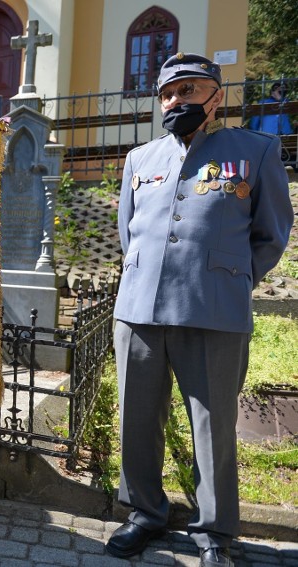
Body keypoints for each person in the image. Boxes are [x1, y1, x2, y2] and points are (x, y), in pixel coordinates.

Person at [107, 53, 293, 567]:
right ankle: (145, 512)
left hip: (214, 311)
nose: (176, 102)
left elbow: (271, 234)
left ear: (216, 97)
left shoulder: (254, 150)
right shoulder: (140, 160)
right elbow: (129, 233)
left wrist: (227, 281)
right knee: (136, 420)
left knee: (212, 428)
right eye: (168, 94)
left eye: (189, 91)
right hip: (140, 310)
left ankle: (215, 533)